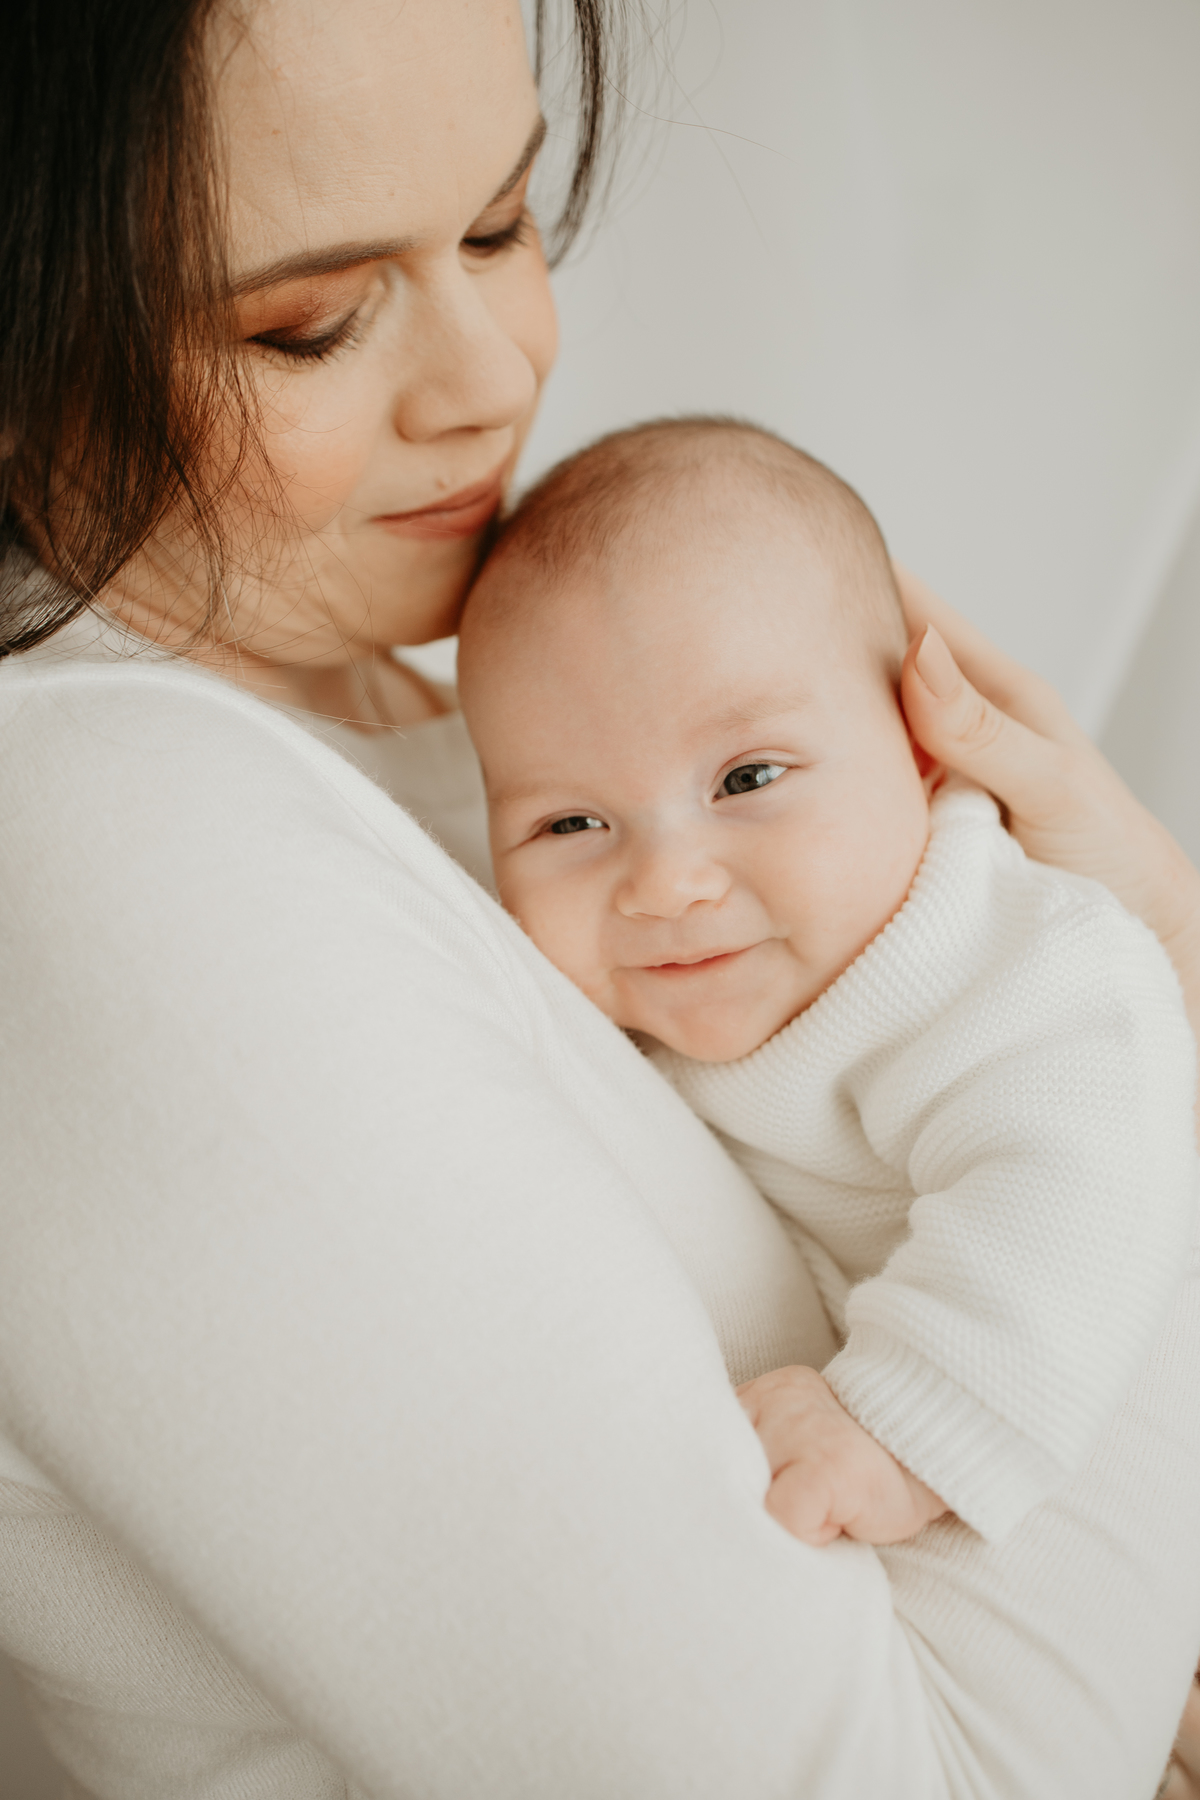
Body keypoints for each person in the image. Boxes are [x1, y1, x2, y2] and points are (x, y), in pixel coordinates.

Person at [1, 1, 1199, 1796]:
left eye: (500, 222)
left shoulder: (437, 712)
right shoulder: (104, 856)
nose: (496, 374)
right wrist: (1149, 1005)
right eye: (306, 323)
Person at [456, 415, 1198, 1549]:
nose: (665, 882)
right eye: (570, 821)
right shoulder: (616, 1010)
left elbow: (1074, 1177)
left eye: (746, 776)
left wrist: (901, 1427)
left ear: (918, 748)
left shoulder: (1011, 966)